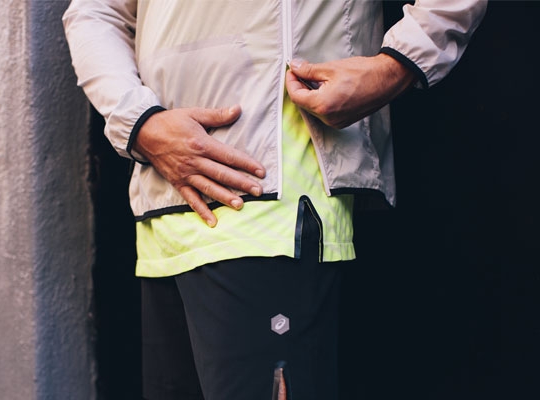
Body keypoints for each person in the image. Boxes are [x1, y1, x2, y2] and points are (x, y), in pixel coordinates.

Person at [63, 1, 487, 399]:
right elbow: (95, 11)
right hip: (163, 214)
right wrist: (140, 123)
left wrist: (397, 65)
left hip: (274, 203)